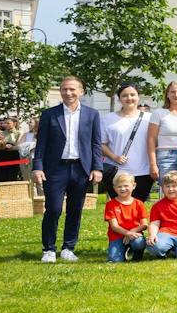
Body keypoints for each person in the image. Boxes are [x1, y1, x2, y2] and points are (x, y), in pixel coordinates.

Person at [32, 75, 103, 263]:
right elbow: (42, 144)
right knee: (53, 209)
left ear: (81, 91)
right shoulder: (49, 114)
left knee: (75, 210)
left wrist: (97, 168)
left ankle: (68, 248)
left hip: (81, 169)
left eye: (72, 89)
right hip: (55, 169)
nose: (68, 92)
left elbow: (96, 144)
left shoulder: (92, 114)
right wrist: (37, 167)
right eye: (64, 89)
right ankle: (48, 249)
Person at [102, 84, 154, 201]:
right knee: (118, 208)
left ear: (138, 97)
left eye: (132, 95)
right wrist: (114, 157)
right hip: (117, 171)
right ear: (119, 98)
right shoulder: (108, 119)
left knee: (138, 208)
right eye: (124, 95)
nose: (129, 98)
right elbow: (101, 144)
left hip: (143, 171)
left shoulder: (150, 118)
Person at [146, 80, 177, 184]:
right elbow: (151, 139)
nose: (176, 95)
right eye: (172, 92)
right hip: (166, 156)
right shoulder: (158, 113)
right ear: (167, 94)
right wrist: (153, 164)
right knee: (170, 190)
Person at [103, 171, 149, 262]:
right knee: (114, 260)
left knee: (138, 243)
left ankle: (137, 253)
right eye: (119, 186)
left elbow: (144, 225)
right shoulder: (110, 204)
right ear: (114, 188)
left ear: (134, 186)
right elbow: (114, 226)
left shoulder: (139, 203)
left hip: (134, 235)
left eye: (126, 186)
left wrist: (132, 231)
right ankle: (123, 250)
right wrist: (127, 233)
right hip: (117, 236)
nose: (123, 189)